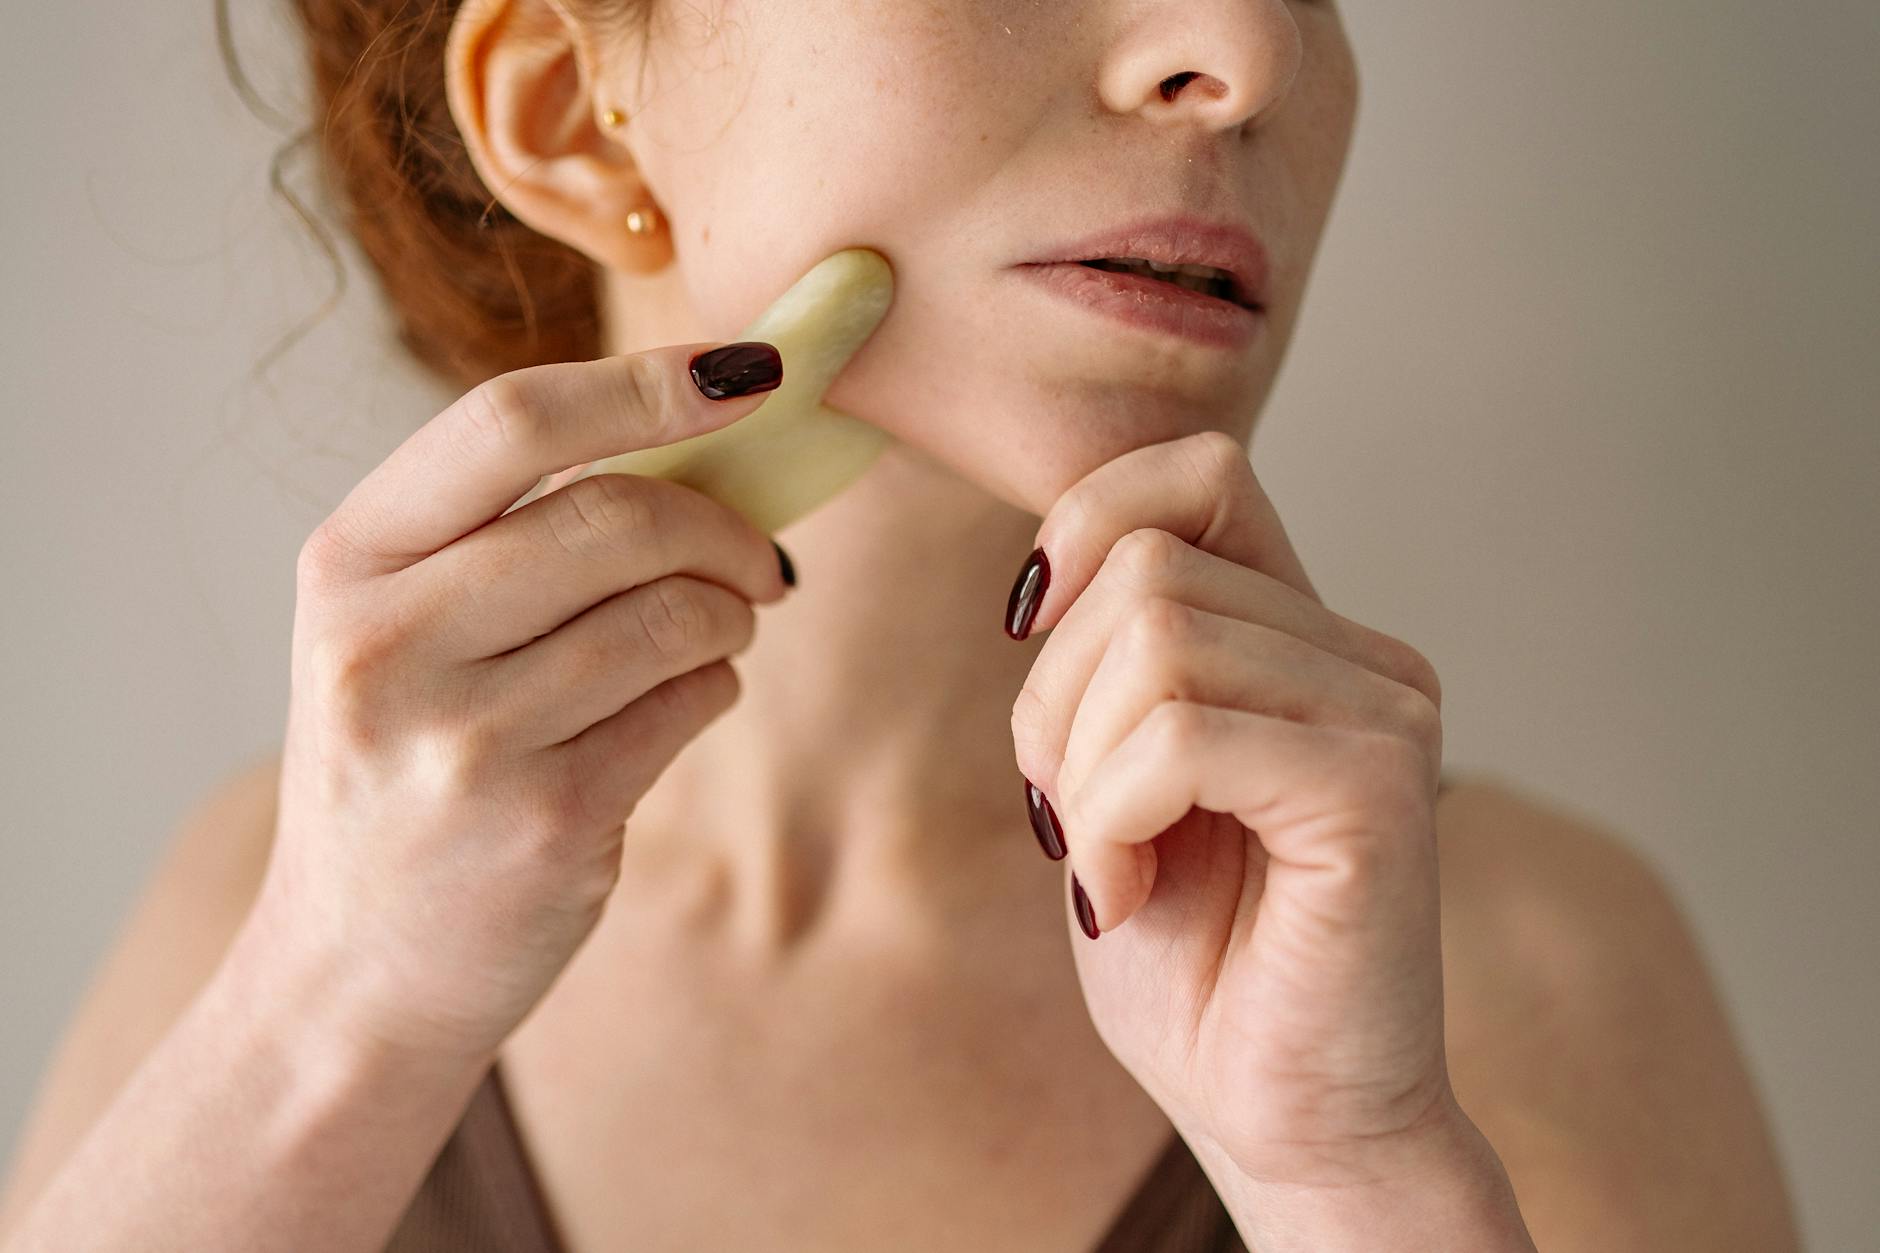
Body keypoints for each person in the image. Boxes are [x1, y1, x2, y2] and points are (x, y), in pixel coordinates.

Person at [0, 1, 1800, 1249]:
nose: (1250, 57)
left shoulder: (1534, 975)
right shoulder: (258, 910)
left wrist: (1359, 1185)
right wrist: (329, 1024)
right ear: (564, 112)